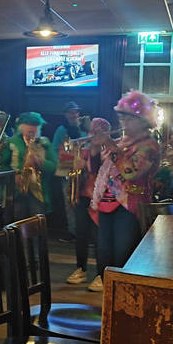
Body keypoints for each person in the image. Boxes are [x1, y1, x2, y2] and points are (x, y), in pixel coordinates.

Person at [89, 91, 160, 292]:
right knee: (104, 251)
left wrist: (109, 145)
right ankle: (108, 292)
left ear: (144, 121)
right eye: (122, 118)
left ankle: (122, 295)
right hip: (106, 204)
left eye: (129, 119)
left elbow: (131, 172)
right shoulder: (122, 143)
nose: (124, 123)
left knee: (123, 253)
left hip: (130, 207)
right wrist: (94, 150)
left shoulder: (149, 146)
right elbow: (96, 171)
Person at [64, 117, 110, 286]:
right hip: (83, 195)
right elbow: (71, 171)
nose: (94, 135)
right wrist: (76, 166)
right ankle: (81, 269)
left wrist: (86, 164)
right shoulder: (83, 151)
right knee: (81, 234)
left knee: (99, 238)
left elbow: (103, 172)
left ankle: (101, 274)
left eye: (99, 132)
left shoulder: (109, 153)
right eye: (92, 131)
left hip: (101, 199)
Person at [1, 112, 57, 219]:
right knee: (16, 220)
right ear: (22, 128)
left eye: (34, 131)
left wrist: (40, 162)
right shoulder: (11, 142)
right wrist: (13, 176)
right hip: (16, 191)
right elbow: (3, 165)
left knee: (37, 221)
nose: (32, 134)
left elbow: (54, 166)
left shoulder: (44, 143)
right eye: (29, 131)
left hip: (38, 191)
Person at [52, 101, 85, 245]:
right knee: (69, 202)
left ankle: (85, 233)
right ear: (65, 114)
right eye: (71, 112)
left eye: (76, 112)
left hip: (84, 170)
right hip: (66, 169)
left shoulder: (84, 128)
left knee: (84, 202)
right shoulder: (61, 130)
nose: (74, 115)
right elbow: (54, 149)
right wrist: (60, 166)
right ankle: (73, 232)